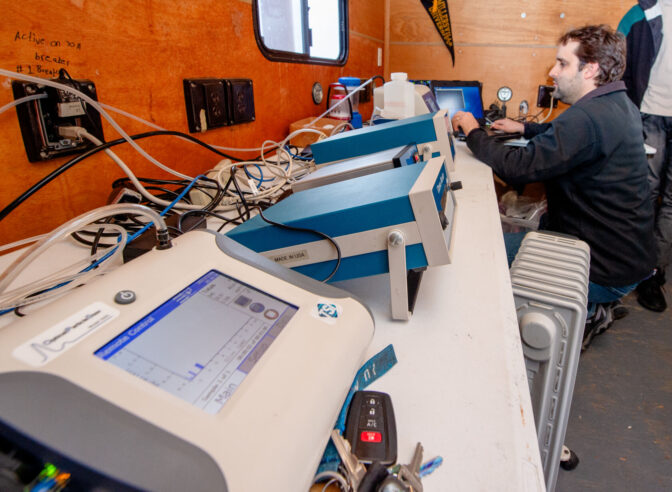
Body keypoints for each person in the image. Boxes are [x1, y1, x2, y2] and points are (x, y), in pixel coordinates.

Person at [451, 25, 656, 350]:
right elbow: (567, 133)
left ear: (590, 69)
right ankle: (592, 308)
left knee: (478, 253)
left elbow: (517, 169)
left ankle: (586, 310)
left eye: (562, 63)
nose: (552, 72)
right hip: (626, 258)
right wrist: (526, 127)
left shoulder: (587, 118)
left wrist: (474, 132)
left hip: (601, 268)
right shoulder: (617, 103)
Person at [619, 1, 671, 313]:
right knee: (645, 194)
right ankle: (635, 268)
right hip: (648, 114)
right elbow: (615, 63)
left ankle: (655, 272)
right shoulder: (639, 12)